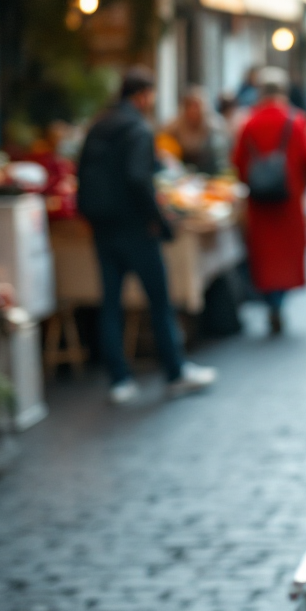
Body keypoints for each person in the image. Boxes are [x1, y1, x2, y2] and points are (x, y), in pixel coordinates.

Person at [77, 67, 217, 404]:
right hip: (136, 228)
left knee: (111, 304)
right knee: (159, 301)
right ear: (142, 95)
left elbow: (80, 172)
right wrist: (159, 222)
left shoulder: (98, 125)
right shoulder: (137, 128)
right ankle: (175, 371)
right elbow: (139, 179)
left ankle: (119, 380)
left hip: (103, 227)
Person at [231, 67, 306, 335]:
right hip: (290, 199)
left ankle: (271, 301)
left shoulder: (248, 122)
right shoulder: (297, 121)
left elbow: (238, 162)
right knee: (287, 255)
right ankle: (279, 302)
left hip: (259, 202)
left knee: (264, 254)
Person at [162, 87, 230, 175]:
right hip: (184, 169)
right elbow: (162, 137)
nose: (193, 110)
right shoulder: (177, 123)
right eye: (190, 105)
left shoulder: (213, 124)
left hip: (207, 168)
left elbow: (223, 146)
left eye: (196, 106)